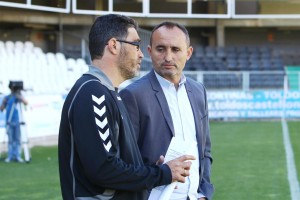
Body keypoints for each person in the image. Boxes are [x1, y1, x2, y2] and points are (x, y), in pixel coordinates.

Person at [58, 14, 195, 200]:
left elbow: (117, 162)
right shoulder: (92, 93)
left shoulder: (109, 93)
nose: (141, 54)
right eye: (136, 45)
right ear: (114, 45)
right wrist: (162, 173)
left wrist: (155, 169)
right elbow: (105, 169)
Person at [120, 21, 214, 200]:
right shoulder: (132, 95)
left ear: (188, 53)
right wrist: (157, 170)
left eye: (176, 49)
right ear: (149, 51)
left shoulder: (198, 91)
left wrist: (204, 193)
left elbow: (205, 150)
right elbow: (125, 162)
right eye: (161, 49)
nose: (168, 57)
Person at [0, 81, 28, 163]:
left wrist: (19, 96)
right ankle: (10, 156)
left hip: (18, 121)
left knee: (17, 139)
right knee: (11, 140)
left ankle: (17, 155)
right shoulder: (7, 97)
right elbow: (2, 108)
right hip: (9, 121)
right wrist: (4, 102)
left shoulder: (19, 97)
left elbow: (26, 103)